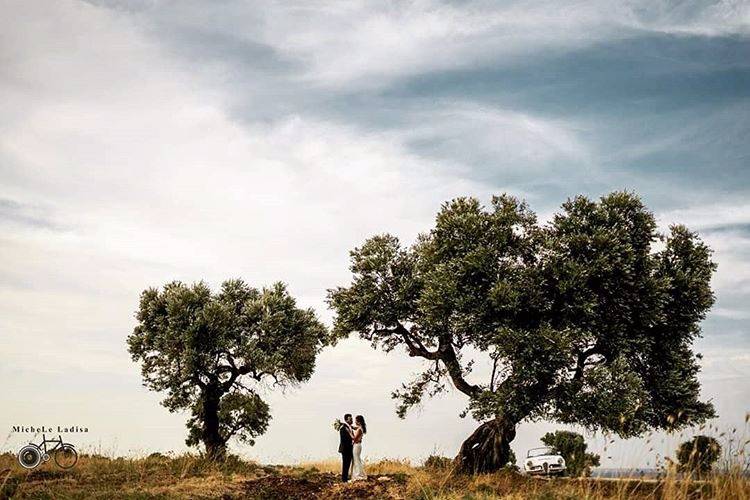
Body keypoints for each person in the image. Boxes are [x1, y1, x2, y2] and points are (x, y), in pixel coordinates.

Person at [349, 415, 367, 480]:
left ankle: (359, 474)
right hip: (358, 445)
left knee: (356, 460)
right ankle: (358, 473)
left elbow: (354, 438)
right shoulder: (360, 427)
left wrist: (349, 432)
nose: (355, 421)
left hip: (357, 445)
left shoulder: (359, 429)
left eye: (356, 420)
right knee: (357, 459)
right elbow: (354, 427)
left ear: (359, 421)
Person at [338, 413, 354, 482]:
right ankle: (344, 479)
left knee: (348, 464)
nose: (352, 420)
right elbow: (344, 439)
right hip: (345, 449)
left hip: (349, 449)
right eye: (350, 419)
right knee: (345, 464)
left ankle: (345, 477)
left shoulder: (349, 427)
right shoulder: (343, 428)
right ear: (346, 420)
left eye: (352, 419)